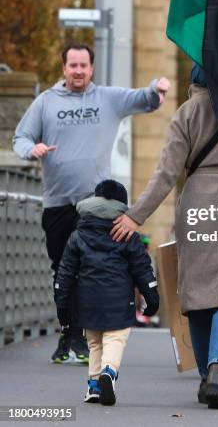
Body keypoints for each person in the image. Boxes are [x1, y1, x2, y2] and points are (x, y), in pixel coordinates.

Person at [111, 65, 218, 409]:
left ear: (194, 83)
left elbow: (166, 172)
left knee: (199, 292)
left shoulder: (187, 112)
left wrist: (136, 216)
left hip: (199, 203)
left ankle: (208, 372)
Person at [12, 43, 169, 364]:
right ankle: (66, 332)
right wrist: (33, 150)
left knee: (89, 270)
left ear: (92, 68)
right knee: (62, 271)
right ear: (64, 68)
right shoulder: (46, 103)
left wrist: (157, 87)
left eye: (84, 65)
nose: (79, 71)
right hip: (57, 202)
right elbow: (20, 138)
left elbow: (144, 98)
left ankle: (83, 337)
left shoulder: (107, 99)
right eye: (73, 66)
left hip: (96, 208)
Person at [54, 179, 159, 405]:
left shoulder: (78, 234)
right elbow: (143, 269)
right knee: (115, 339)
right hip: (119, 301)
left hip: (86, 301)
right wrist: (152, 299)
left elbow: (65, 274)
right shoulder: (128, 234)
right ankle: (108, 373)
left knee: (94, 343)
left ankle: (93, 386)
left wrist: (62, 305)